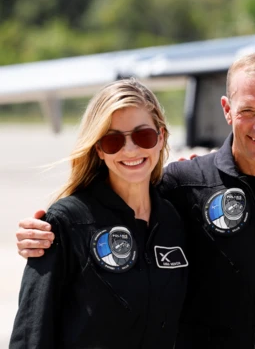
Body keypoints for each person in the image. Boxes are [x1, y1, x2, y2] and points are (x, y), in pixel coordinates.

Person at [15, 52, 255, 349]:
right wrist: (48, 230)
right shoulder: (185, 186)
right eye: (248, 111)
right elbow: (116, 200)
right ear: (227, 110)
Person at [10, 79, 188, 348]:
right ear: (98, 149)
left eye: (144, 136)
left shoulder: (175, 219)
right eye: (113, 140)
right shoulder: (66, 223)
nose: (130, 150)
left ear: (161, 137)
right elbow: (31, 334)